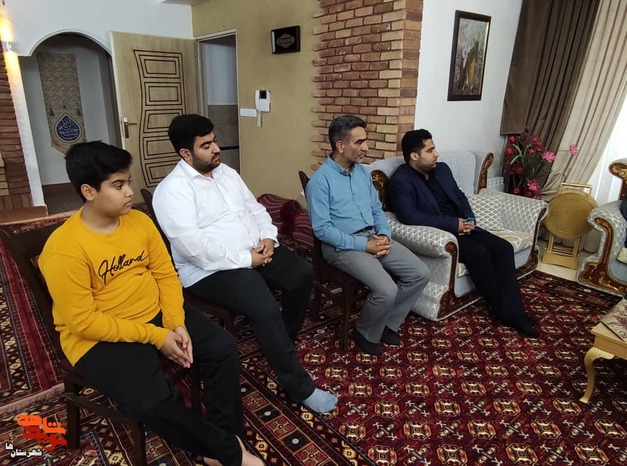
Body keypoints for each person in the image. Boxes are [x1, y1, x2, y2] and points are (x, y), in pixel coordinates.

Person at [39, 141, 262, 466]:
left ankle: (220, 443)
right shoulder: (64, 249)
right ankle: (231, 453)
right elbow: (83, 322)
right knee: (152, 401)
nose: (129, 192)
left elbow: (166, 275)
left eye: (128, 182)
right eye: (118, 185)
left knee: (223, 347)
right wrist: (157, 336)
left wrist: (175, 322)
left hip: (154, 313)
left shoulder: (140, 221)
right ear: (88, 191)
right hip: (97, 336)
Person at [152, 114, 337, 414]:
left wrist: (268, 237)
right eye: (206, 146)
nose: (216, 149)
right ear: (185, 153)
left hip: (253, 250)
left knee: (301, 274)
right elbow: (195, 248)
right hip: (207, 270)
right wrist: (247, 259)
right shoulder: (172, 191)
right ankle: (297, 385)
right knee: (262, 302)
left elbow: (255, 208)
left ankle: (281, 340)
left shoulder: (227, 173)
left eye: (215, 141)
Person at [387, 129, 540, 339]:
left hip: (464, 226)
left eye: (434, 149)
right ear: (414, 155)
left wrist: (469, 218)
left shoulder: (441, 169)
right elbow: (409, 216)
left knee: (503, 248)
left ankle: (515, 311)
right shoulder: (401, 180)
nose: (436, 154)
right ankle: (508, 313)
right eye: (430, 150)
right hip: (442, 233)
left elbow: (459, 196)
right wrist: (454, 224)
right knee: (479, 252)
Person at [305, 115, 430, 356]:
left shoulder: (362, 173)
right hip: (341, 246)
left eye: (366, 140)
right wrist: (365, 245)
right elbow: (322, 230)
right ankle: (365, 331)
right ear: (340, 145)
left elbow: (376, 209)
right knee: (386, 289)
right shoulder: (320, 182)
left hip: (373, 236)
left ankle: (387, 324)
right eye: (359, 142)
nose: (366, 147)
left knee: (419, 273)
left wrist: (384, 234)